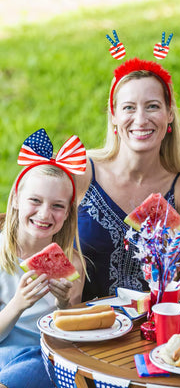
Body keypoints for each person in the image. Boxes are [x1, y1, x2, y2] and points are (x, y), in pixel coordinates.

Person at [77, 57, 180, 301]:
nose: (141, 119)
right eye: (129, 107)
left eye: (152, 106)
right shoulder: (83, 172)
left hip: (152, 331)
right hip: (83, 325)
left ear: (169, 114)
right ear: (113, 116)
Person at [0, 129, 86, 388]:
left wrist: (63, 304)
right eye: (35, 201)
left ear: (68, 212)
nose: (45, 214)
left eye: (57, 206)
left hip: (41, 356)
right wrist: (17, 304)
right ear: (16, 199)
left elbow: (70, 339)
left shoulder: (74, 266)